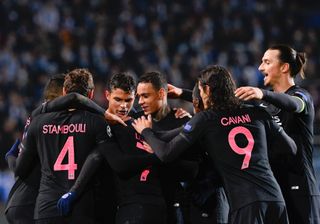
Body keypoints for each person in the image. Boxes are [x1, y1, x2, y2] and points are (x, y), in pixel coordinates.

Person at [132, 65, 297, 224]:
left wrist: (146, 132)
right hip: (276, 200)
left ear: (207, 90)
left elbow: (167, 153)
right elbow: (290, 148)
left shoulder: (207, 119)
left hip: (246, 204)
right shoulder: (258, 112)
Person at [14, 68, 117, 224]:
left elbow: (20, 170)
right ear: (90, 94)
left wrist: (9, 157)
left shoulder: (39, 122)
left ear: (63, 91)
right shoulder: (96, 122)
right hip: (81, 208)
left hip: (46, 209)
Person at [235, 44, 320, 224]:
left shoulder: (301, 95)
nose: (260, 67)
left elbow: (295, 105)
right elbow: (226, 108)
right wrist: (185, 94)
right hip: (274, 191)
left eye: (266, 62)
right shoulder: (265, 104)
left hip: (300, 188)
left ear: (284, 67)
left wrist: (263, 94)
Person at [136, 71, 198, 224]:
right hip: (143, 205)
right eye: (139, 96)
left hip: (175, 204)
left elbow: (193, 168)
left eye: (145, 96)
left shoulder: (182, 121)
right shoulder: (136, 121)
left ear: (161, 93)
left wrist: (161, 152)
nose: (140, 101)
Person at [4, 73, 66, 224]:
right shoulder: (53, 120)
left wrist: (10, 157)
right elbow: (20, 168)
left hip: (21, 201)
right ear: (64, 94)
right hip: (32, 203)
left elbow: (20, 166)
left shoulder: (35, 116)